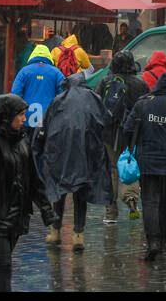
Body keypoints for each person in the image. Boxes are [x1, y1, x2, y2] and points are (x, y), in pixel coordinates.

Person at [0, 94, 57, 292]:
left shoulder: (23, 142)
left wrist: (47, 210)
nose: (24, 119)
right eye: (20, 115)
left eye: (24, 114)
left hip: (17, 217)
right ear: (6, 116)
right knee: (4, 265)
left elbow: (34, 181)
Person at [33, 72, 114, 252]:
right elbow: (106, 118)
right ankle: (78, 235)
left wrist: (38, 146)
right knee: (80, 193)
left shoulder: (59, 99)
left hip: (61, 152)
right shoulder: (93, 98)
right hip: (86, 152)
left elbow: (45, 124)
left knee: (60, 191)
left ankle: (55, 231)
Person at [121, 68, 166, 262]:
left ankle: (152, 241)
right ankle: (162, 240)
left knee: (150, 202)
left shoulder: (143, 105)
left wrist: (138, 148)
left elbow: (127, 130)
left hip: (147, 162)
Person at [95, 50, 147, 223]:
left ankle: (110, 213)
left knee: (112, 169)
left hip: (109, 133)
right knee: (129, 165)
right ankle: (131, 198)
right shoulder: (140, 84)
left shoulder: (105, 81)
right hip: (131, 134)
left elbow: (96, 106)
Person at [10, 45, 65, 132]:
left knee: (27, 143)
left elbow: (15, 94)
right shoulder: (56, 72)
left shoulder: (24, 71)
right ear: (48, 56)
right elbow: (63, 94)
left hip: (27, 118)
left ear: (33, 55)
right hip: (48, 118)